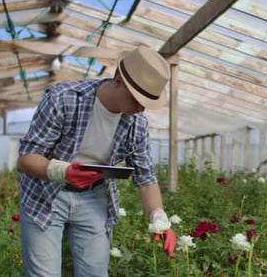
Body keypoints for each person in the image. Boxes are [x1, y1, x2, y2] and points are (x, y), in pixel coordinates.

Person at [17, 46, 176, 277]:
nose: (141, 108)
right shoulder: (64, 98)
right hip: (46, 193)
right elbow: (27, 158)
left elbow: (145, 176)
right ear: (119, 81)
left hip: (94, 198)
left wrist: (159, 217)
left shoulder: (136, 124)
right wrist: (63, 172)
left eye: (147, 102)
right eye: (137, 98)